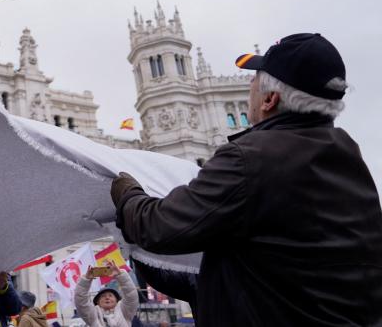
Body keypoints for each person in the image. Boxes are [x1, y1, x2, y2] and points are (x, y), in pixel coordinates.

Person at [110, 33, 382, 326]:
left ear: (269, 99)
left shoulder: (250, 158)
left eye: (255, 79)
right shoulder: (347, 155)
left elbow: (159, 227)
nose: (250, 86)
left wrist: (127, 193)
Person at [73, 260, 138, 327]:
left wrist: (120, 275)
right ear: (98, 302)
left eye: (110, 295)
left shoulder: (124, 311)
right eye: (103, 296)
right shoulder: (93, 315)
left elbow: (131, 295)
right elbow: (81, 302)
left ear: (116, 300)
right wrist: (86, 280)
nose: (107, 298)